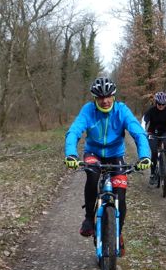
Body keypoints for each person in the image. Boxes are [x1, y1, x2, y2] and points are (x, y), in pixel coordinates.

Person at [64, 76, 152, 255]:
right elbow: (74, 131)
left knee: (120, 193)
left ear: (114, 96)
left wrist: (144, 156)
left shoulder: (122, 111)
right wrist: (71, 154)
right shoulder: (88, 111)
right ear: (94, 99)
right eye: (100, 97)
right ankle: (89, 218)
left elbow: (138, 133)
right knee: (93, 174)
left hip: (115, 156)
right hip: (93, 154)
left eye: (108, 96)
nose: (105, 101)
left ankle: (117, 232)